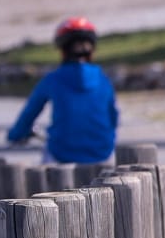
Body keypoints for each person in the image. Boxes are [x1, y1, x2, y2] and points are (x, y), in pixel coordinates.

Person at [8, 16, 120, 165]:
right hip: (102, 154)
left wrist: (15, 134)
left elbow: (29, 113)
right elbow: (113, 117)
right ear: (92, 50)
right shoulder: (103, 79)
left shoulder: (53, 80)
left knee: (45, 179)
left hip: (62, 154)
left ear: (62, 51)